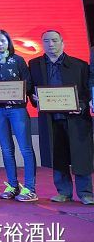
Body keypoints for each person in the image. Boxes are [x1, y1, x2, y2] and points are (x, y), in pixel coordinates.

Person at [29, 30, 93, 204]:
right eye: (46, 41)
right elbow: (30, 89)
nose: (51, 44)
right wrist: (34, 98)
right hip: (51, 118)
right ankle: (64, 192)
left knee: (81, 155)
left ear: (62, 43)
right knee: (57, 155)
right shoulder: (34, 64)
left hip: (76, 118)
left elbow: (87, 92)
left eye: (54, 40)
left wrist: (81, 105)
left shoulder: (80, 65)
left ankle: (86, 193)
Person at [0, 29, 37, 202]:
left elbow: (28, 83)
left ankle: (30, 188)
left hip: (17, 109)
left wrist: (19, 92)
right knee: (6, 149)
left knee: (25, 148)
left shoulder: (18, 60)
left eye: (3, 41)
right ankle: (12, 185)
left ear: (8, 42)